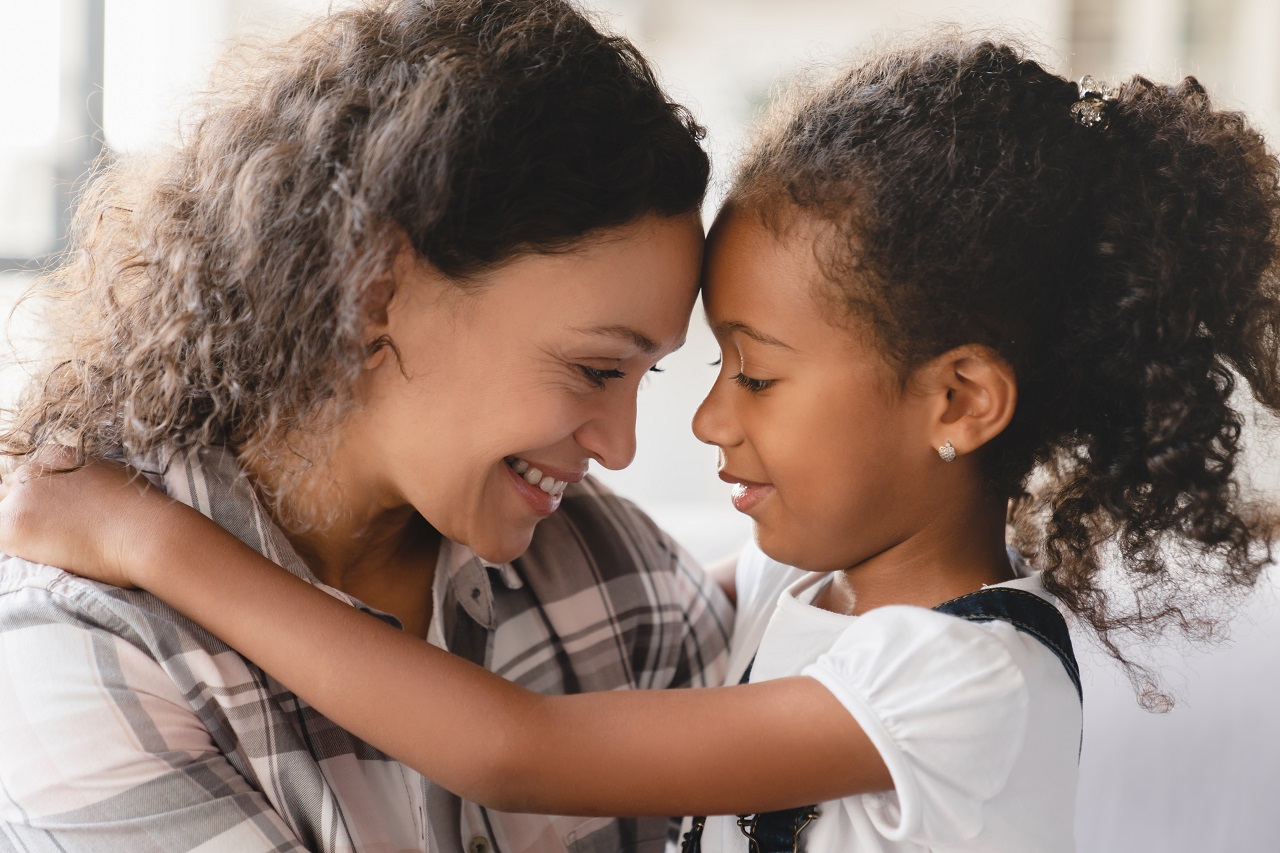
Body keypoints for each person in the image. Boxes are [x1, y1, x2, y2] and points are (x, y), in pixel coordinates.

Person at [5, 34, 1280, 852]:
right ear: (376, 290)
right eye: (597, 368)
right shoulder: (784, 587)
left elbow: (515, 750)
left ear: (955, 404)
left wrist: (141, 534)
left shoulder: (963, 678)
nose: (652, 438)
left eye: (748, 374)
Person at [0, 2, 733, 852]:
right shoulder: (87, 655)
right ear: (379, 289)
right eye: (597, 369)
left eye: (650, 374)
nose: (621, 445)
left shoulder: (608, 564)